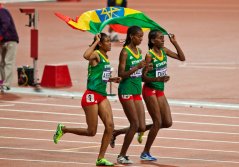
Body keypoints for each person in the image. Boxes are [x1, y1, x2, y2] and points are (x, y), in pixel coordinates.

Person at [53, 33, 121, 166]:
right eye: (107, 41)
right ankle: (64, 129)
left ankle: (100, 158)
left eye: (109, 41)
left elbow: (100, 76)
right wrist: (95, 42)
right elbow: (85, 55)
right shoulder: (96, 55)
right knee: (91, 131)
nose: (110, 43)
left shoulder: (106, 57)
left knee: (110, 126)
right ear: (100, 44)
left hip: (102, 95)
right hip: (91, 95)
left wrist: (112, 79)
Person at [139, 29, 185, 160]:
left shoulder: (164, 50)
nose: (163, 39)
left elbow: (182, 58)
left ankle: (141, 129)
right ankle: (145, 152)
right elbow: (143, 77)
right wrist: (158, 79)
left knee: (167, 122)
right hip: (149, 90)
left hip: (159, 90)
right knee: (157, 122)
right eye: (160, 38)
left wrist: (175, 42)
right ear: (153, 40)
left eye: (163, 38)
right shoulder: (149, 55)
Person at [111, 25, 146, 164]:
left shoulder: (140, 50)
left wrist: (146, 68)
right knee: (135, 124)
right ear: (132, 36)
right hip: (126, 90)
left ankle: (115, 133)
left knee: (141, 126)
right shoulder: (124, 52)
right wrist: (137, 67)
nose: (141, 39)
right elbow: (121, 75)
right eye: (139, 36)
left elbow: (140, 74)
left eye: (142, 36)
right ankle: (121, 155)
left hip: (137, 89)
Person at [0, 3, 19, 90]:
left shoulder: (3, 11)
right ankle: (2, 81)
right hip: (2, 41)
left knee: (8, 62)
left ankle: (6, 84)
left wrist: (0, 35)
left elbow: (6, 23)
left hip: (10, 40)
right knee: (1, 62)